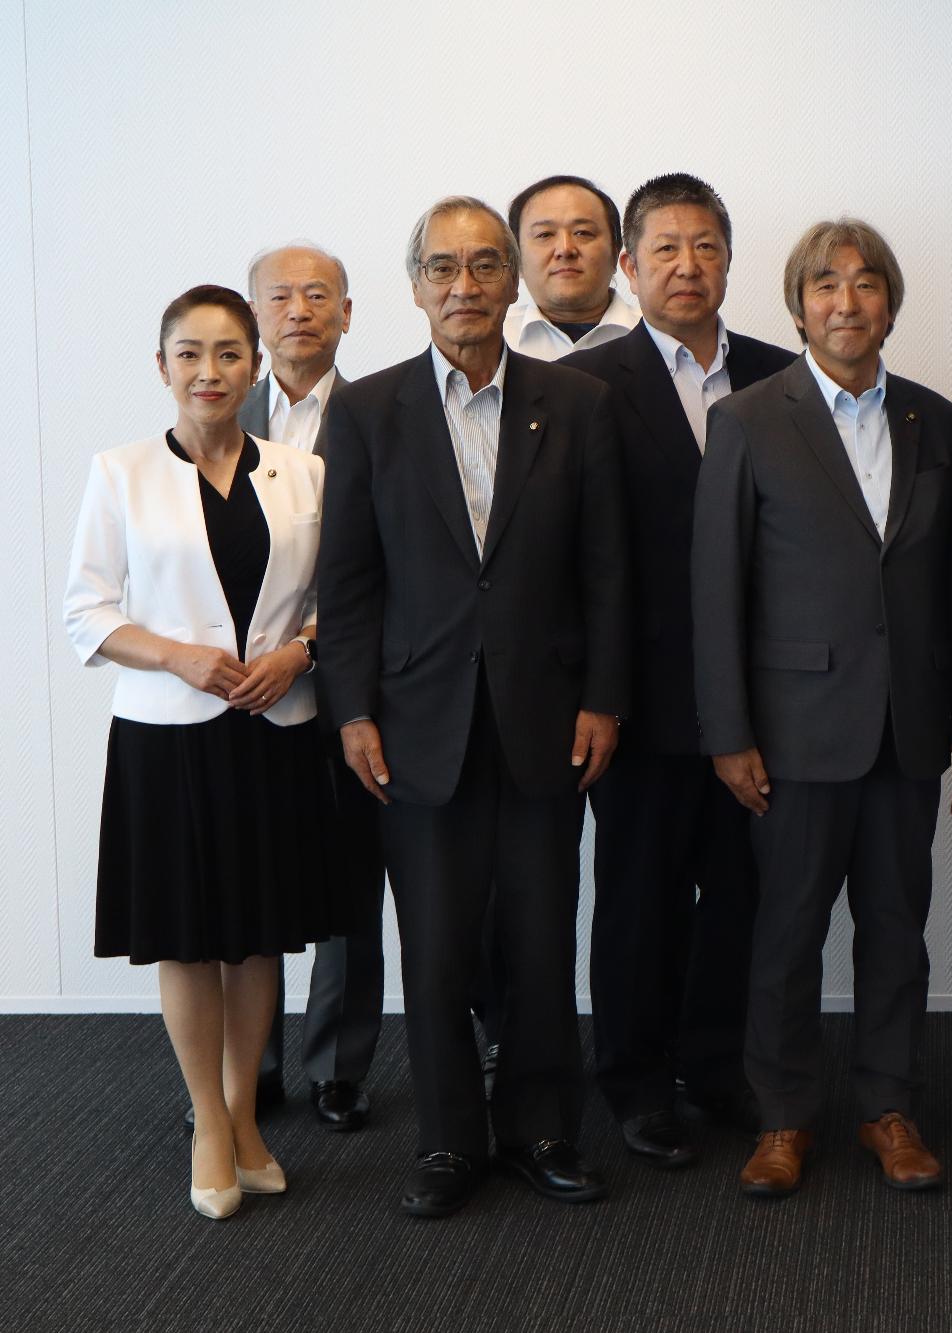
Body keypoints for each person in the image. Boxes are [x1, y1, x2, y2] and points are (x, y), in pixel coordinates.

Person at [317, 195, 632, 1218]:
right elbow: (348, 582)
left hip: (548, 714)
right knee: (437, 944)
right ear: (416, 287)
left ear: (512, 281)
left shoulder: (576, 403)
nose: (465, 286)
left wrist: (604, 697)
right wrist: (352, 713)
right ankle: (450, 1141)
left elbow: (607, 570)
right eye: (443, 268)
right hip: (415, 720)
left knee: (541, 938)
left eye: (486, 265)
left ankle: (543, 1130)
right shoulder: (367, 411)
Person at [690, 217, 952, 1197]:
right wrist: (728, 732)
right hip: (793, 731)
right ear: (797, 307)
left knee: (897, 929)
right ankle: (782, 1116)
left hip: (908, 726)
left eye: (865, 284)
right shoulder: (747, 419)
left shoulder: (935, 419)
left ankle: (887, 1107)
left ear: (889, 305)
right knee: (785, 934)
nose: (846, 302)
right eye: (825, 285)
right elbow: (717, 588)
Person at [64, 284, 335, 1219]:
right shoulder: (122, 471)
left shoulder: (303, 473)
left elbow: (336, 599)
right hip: (166, 738)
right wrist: (176, 654)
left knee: (256, 933)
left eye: (228, 354)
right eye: (189, 353)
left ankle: (247, 1114)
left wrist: (301, 653)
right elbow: (86, 611)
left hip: (272, 728)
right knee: (185, 934)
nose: (209, 371)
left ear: (255, 366)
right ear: (162, 365)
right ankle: (209, 1123)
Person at [562, 173, 794, 1162]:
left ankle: (717, 1066)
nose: (686, 266)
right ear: (629, 264)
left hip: (764, 696)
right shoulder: (584, 386)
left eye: (705, 247)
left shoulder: (783, 375)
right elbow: (580, 557)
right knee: (639, 899)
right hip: (643, 699)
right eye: (664, 248)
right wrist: (597, 695)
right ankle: (633, 1079)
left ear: (730, 261)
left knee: (743, 895)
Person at [239, 241, 385, 1132]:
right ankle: (248, 1066)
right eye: (281, 296)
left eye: (318, 295)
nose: (299, 310)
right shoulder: (219, 413)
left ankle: (338, 1066)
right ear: (256, 314)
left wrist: (307, 647)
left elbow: (389, 565)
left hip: (348, 683)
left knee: (348, 880)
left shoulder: (382, 414)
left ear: (347, 313)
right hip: (240, 692)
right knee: (246, 879)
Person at [502, 174, 641, 359]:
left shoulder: (659, 336)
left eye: (582, 233)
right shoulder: (493, 340)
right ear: (517, 258)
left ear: (615, 252)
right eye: (545, 235)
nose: (565, 249)